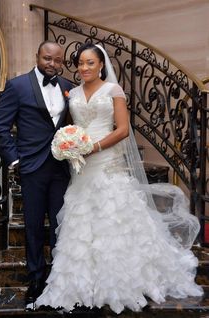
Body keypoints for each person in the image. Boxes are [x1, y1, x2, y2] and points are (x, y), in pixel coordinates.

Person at [35, 43, 203, 314]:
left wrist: (94, 147)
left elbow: (123, 129)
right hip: (81, 168)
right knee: (81, 221)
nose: (84, 67)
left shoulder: (114, 90)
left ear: (101, 65)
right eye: (80, 63)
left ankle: (122, 282)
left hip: (106, 161)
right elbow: (70, 126)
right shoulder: (73, 92)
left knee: (114, 218)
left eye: (90, 63)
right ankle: (81, 283)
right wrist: (70, 144)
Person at [0, 41, 73, 308]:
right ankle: (36, 278)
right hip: (32, 167)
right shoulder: (18, 86)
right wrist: (14, 159)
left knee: (61, 225)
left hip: (61, 167)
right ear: (37, 56)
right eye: (47, 58)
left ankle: (59, 278)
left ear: (62, 62)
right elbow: (0, 126)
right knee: (34, 226)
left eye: (58, 60)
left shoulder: (68, 88)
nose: (52, 63)